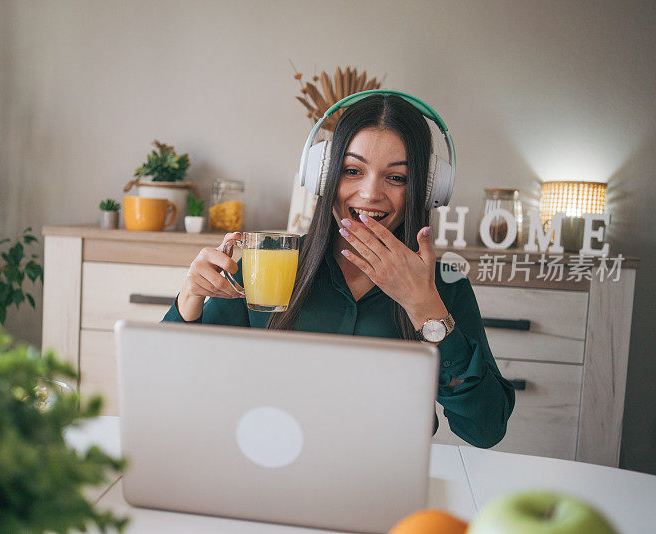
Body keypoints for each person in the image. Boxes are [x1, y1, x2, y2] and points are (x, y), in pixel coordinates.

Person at [163, 94, 515, 448]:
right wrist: (190, 297)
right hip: (268, 461)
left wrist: (425, 308)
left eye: (396, 177)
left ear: (426, 190)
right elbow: (173, 387)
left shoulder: (445, 285)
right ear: (323, 176)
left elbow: (485, 429)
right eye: (352, 171)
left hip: (389, 478)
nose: (370, 193)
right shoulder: (266, 262)